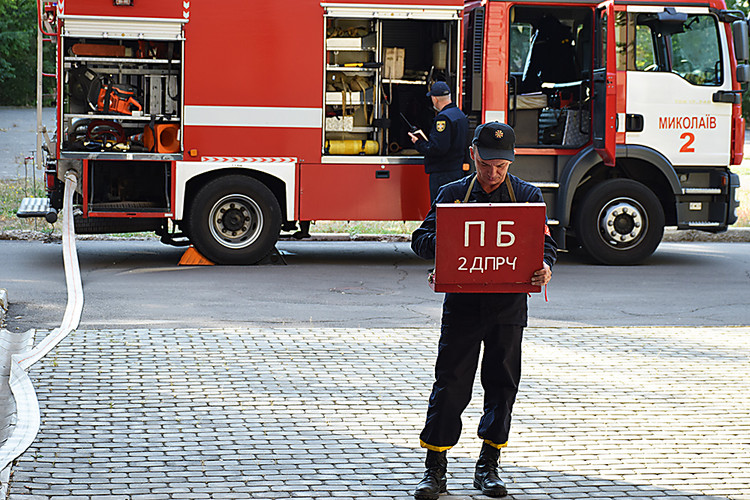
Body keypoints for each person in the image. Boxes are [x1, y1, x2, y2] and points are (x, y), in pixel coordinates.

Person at [410, 121, 557, 499]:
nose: (492, 174)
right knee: (450, 385)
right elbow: (420, 240)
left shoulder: (527, 196)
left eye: (501, 167)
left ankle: (488, 465)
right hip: (462, 306)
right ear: (473, 154)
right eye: (486, 165)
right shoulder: (452, 194)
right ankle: (435, 469)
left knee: (502, 385)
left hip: (508, 307)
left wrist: (545, 266)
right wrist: (449, 244)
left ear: (512, 161)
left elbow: (546, 245)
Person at [409, 81, 469, 204]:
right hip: (457, 171)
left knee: (440, 208)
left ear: (435, 99)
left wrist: (418, 143)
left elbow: (438, 148)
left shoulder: (443, 119)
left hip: (442, 174)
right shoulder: (460, 115)